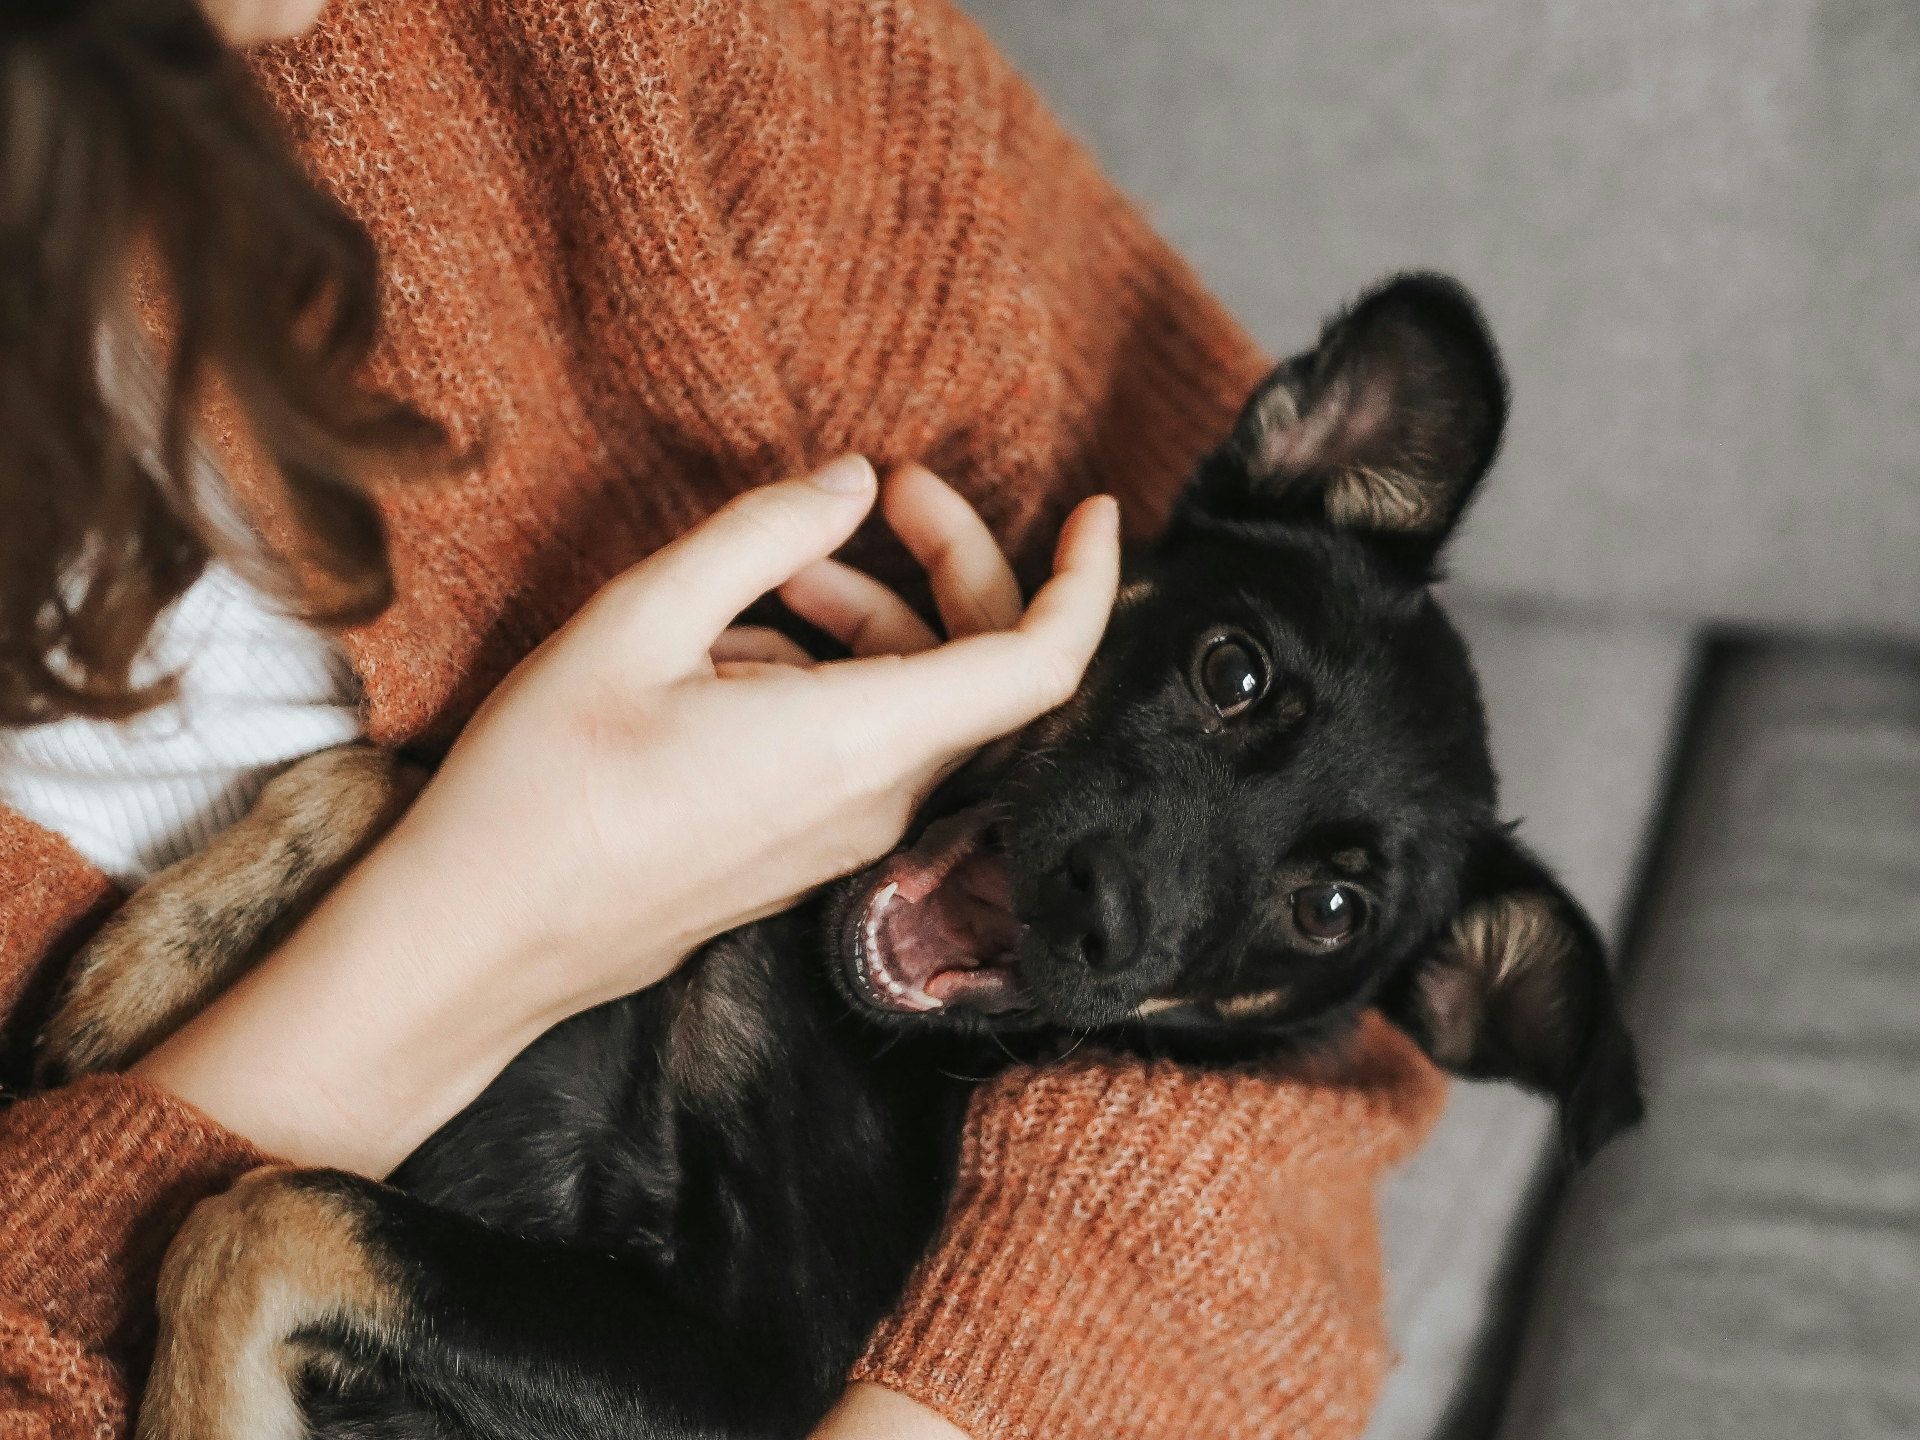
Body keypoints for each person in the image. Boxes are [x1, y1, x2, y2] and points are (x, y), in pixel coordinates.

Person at [0, 1, 1447, 1437]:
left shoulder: (660, 55)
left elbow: (1302, 1116)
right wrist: (487, 912)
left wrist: (944, 1402)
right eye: (1232, 691)